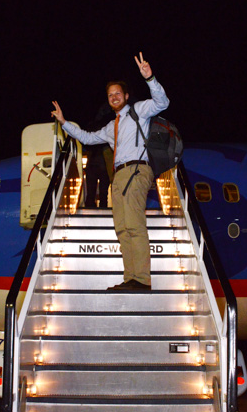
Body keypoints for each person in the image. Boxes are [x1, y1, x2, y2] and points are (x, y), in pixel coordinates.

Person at [50, 52, 170, 291]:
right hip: (119, 175)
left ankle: (142, 279)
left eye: (118, 94)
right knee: (122, 228)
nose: (114, 97)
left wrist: (150, 78)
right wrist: (64, 123)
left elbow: (162, 102)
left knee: (134, 225)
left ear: (125, 96)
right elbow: (86, 137)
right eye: (110, 95)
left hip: (136, 170)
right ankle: (131, 278)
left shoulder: (138, 111)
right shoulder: (110, 126)